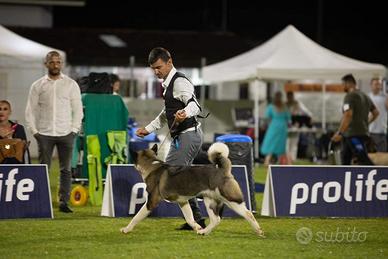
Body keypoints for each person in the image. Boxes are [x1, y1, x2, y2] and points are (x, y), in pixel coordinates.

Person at [135, 47, 206, 230]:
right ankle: (197, 220)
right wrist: (148, 129)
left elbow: (195, 105)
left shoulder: (180, 82)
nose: (156, 72)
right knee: (179, 181)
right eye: (153, 69)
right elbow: (165, 114)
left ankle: (199, 217)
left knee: (170, 180)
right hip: (182, 137)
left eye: (159, 67)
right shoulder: (167, 83)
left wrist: (185, 112)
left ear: (169, 62)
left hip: (188, 135)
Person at [25, 51, 83, 213]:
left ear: (62, 64)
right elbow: (30, 110)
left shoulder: (71, 84)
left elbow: (78, 110)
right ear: (46, 64)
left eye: (58, 62)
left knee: (66, 169)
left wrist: (74, 130)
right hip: (44, 133)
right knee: (43, 169)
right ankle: (39, 200)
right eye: (52, 62)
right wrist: (34, 131)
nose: (55, 65)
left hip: (66, 133)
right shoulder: (37, 85)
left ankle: (64, 202)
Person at [331, 74, 379, 165]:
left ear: (348, 83)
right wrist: (366, 123)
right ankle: (343, 178)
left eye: (343, 84)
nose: (342, 86)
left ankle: (380, 176)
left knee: (363, 158)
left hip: (352, 134)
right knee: (345, 159)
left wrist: (340, 132)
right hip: (362, 133)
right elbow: (376, 113)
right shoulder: (365, 96)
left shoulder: (349, 96)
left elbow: (348, 114)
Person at [261, 91, 291, 166]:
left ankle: (267, 161)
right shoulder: (285, 107)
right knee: (281, 144)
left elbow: (267, 117)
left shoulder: (271, 106)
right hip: (283, 127)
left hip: (273, 126)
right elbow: (289, 118)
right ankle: (285, 162)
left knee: (270, 143)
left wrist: (264, 125)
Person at [286, 91, 313, 161]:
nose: (289, 98)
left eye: (290, 96)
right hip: (286, 126)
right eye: (288, 96)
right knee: (287, 143)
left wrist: (310, 117)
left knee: (294, 143)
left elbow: (306, 112)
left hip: (295, 126)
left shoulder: (297, 104)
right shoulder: (285, 104)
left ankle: (292, 159)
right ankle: (287, 159)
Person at [368, 77, 388, 152]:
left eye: (379, 84)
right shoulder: (367, 97)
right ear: (371, 85)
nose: (378, 86)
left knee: (382, 155)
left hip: (381, 131)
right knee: (369, 156)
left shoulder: (385, 97)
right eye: (376, 84)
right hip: (369, 131)